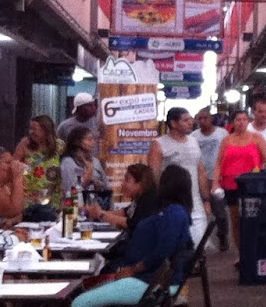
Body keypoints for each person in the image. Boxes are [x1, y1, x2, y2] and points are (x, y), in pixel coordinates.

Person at [70, 164, 193, 307]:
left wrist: (132, 270)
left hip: (151, 283)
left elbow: (162, 253)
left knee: (80, 304)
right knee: (84, 290)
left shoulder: (174, 214)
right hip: (145, 278)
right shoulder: (169, 211)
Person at [150, 107, 209, 249]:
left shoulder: (194, 141)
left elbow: (201, 171)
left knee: (199, 247)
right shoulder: (159, 144)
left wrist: (206, 199)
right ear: (173, 123)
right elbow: (154, 175)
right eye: (186, 120)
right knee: (178, 248)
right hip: (172, 204)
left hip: (195, 204)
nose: (191, 122)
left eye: (190, 119)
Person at [218, 109, 266, 250]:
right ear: (233, 122)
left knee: (252, 219)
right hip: (231, 184)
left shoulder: (257, 138)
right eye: (238, 119)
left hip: (252, 185)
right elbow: (218, 163)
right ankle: (240, 253)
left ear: (248, 121)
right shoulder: (226, 140)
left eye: (244, 119)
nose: (241, 122)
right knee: (236, 220)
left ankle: (254, 249)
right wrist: (215, 184)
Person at [192, 107, 230, 251]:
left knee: (219, 211)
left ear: (211, 119)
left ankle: (222, 236)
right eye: (199, 118)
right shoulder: (194, 136)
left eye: (205, 118)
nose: (202, 121)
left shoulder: (222, 134)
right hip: (199, 178)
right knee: (198, 211)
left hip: (217, 178)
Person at [13, 114, 62, 222]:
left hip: (52, 196)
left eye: (35, 129)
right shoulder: (25, 144)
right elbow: (14, 165)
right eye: (30, 129)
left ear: (46, 130)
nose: (31, 132)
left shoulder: (59, 146)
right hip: (29, 196)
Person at [85, 164, 162, 232]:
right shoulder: (138, 199)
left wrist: (101, 215)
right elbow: (123, 213)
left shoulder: (148, 201)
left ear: (140, 184)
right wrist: (94, 211)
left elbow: (130, 223)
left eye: (127, 179)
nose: (122, 183)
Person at [59, 127, 108, 202]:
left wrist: (97, 184)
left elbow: (106, 186)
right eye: (89, 139)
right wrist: (87, 174)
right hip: (75, 205)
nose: (93, 142)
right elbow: (69, 189)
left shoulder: (95, 161)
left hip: (96, 204)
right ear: (78, 141)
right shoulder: (68, 162)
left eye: (93, 139)